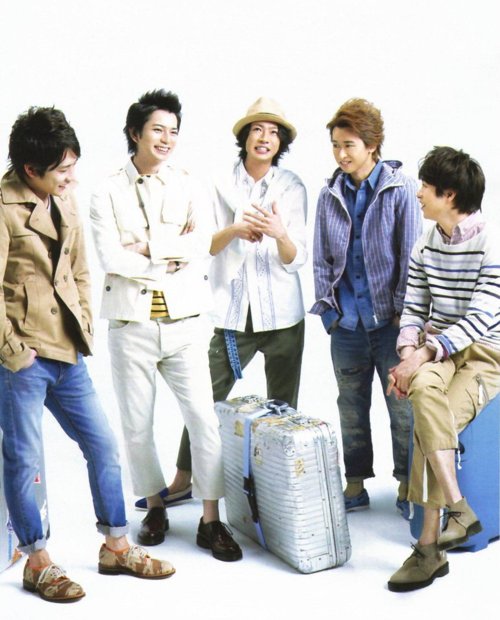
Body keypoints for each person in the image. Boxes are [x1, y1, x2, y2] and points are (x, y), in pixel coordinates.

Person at [0, 107, 174, 604]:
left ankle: (116, 546)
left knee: (103, 446)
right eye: (62, 170)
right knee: (24, 460)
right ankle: (37, 561)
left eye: (73, 166)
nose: (71, 178)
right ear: (31, 169)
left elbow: (79, 268)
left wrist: (84, 326)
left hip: (68, 351)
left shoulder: (65, 198)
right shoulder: (3, 206)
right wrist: (14, 351)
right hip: (23, 358)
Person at [90, 89, 242, 562]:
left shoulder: (189, 184)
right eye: (158, 129)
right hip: (130, 323)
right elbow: (110, 257)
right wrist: (167, 255)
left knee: (204, 420)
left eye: (173, 131)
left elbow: (201, 246)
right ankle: (155, 507)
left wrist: (146, 248)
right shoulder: (105, 189)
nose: (167, 139)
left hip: (185, 322)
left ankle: (211, 519)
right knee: (137, 425)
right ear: (135, 133)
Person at [136, 96, 308, 507]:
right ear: (244, 136)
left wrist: (280, 233)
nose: (264, 138)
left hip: (284, 316)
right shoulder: (218, 183)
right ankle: (184, 478)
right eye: (257, 129)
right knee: (203, 401)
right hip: (231, 314)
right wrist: (235, 229)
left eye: (273, 132)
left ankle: (278, 487)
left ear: (280, 142)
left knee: (283, 410)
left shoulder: (292, 186)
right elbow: (203, 247)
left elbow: (297, 258)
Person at [387, 146, 500, 591]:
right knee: (423, 393)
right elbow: (413, 307)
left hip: (485, 352)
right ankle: (457, 504)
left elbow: (480, 318)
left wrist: (420, 356)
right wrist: (407, 355)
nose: (418, 194)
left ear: (449, 195)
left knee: (435, 418)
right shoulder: (426, 242)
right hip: (440, 351)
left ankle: (429, 548)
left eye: (426, 187)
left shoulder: (491, 242)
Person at [310, 98, 421, 515]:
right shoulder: (329, 193)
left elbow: (411, 258)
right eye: (335, 145)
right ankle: (354, 485)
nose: (341, 154)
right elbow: (321, 259)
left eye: (349, 145)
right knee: (351, 407)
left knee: (403, 408)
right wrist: (330, 314)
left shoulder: (400, 189)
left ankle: (408, 486)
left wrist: (404, 318)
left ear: (372, 145)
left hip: (391, 325)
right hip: (347, 325)